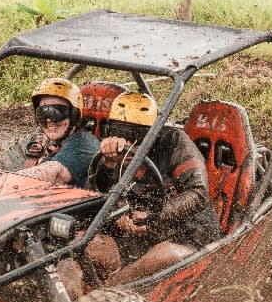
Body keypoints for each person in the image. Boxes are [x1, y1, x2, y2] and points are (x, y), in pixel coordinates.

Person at [86, 90, 221, 284]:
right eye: (120, 132)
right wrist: (107, 166)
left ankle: (112, 289)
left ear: (152, 134)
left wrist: (152, 218)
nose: (127, 143)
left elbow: (198, 193)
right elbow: (93, 198)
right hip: (136, 236)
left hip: (187, 233)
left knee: (161, 255)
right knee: (85, 245)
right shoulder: (111, 152)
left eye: (136, 135)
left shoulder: (174, 142)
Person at [0, 77, 99, 187]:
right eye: (43, 114)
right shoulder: (40, 142)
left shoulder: (84, 143)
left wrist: (2, 183)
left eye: (56, 113)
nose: (49, 120)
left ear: (74, 115)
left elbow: (55, 173)